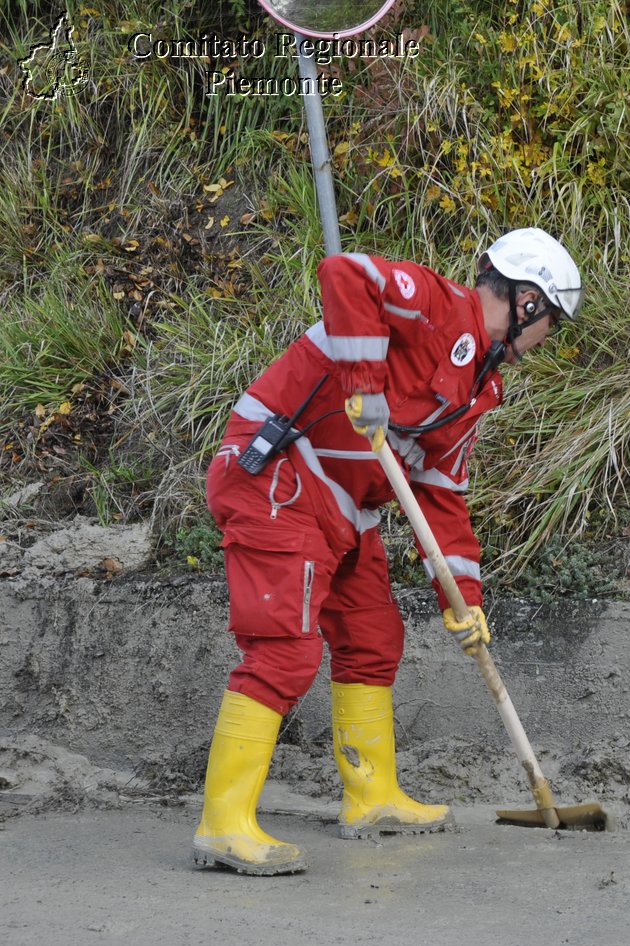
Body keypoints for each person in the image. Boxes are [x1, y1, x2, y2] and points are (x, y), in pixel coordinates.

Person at [191, 227, 583, 876]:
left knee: (373, 636)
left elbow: (441, 496)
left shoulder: (480, 390)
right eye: (553, 324)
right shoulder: (432, 303)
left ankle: (370, 797)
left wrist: (465, 601)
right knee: (286, 649)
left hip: (342, 507)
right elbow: (346, 274)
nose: (548, 340)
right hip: (278, 475)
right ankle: (223, 823)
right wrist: (365, 383)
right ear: (528, 303)